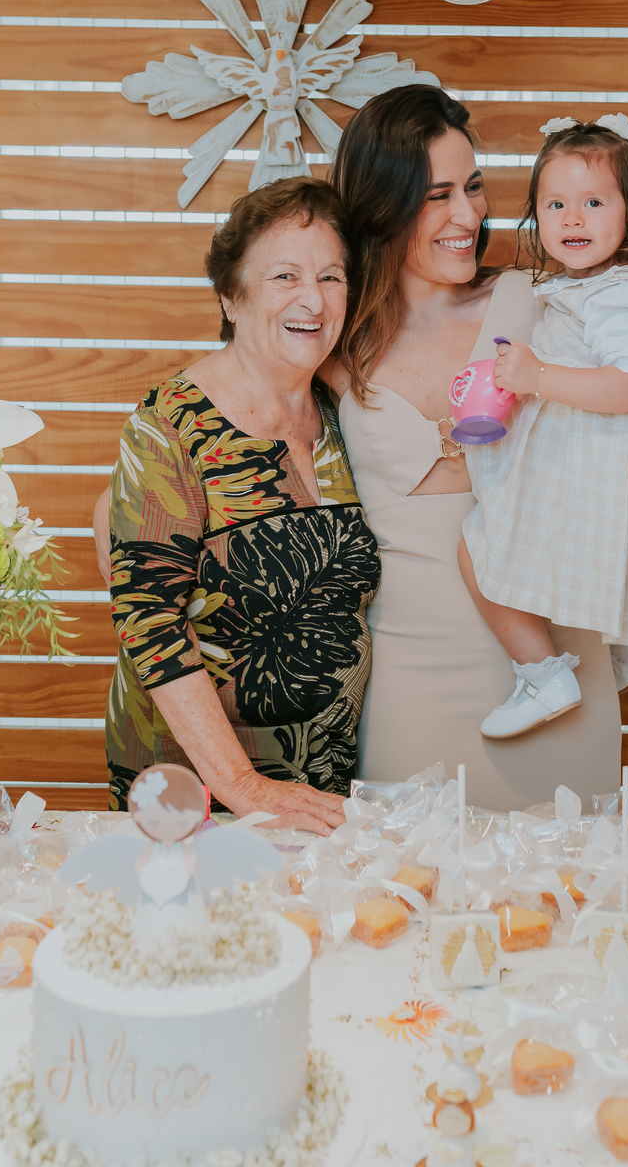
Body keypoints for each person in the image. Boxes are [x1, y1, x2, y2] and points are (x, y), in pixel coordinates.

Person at [324, 84, 623, 811]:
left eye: (474, 187)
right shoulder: (331, 346)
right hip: (412, 681)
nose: (468, 216)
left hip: (561, 667)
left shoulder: (544, 303)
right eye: (436, 196)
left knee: (565, 909)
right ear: (379, 206)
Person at [101, 177, 380, 833]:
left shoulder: (343, 414)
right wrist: (241, 785)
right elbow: (148, 616)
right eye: (285, 275)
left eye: (332, 277)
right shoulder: (171, 423)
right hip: (195, 790)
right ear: (231, 295)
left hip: (325, 780)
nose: (312, 298)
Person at [459, 113, 628, 739]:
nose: (572, 219)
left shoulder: (627, 294)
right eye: (555, 203)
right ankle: (605, 661)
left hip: (593, 460)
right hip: (578, 456)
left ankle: (543, 671)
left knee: (479, 546)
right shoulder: (582, 287)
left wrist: (536, 378)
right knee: (537, 559)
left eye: (593, 202)